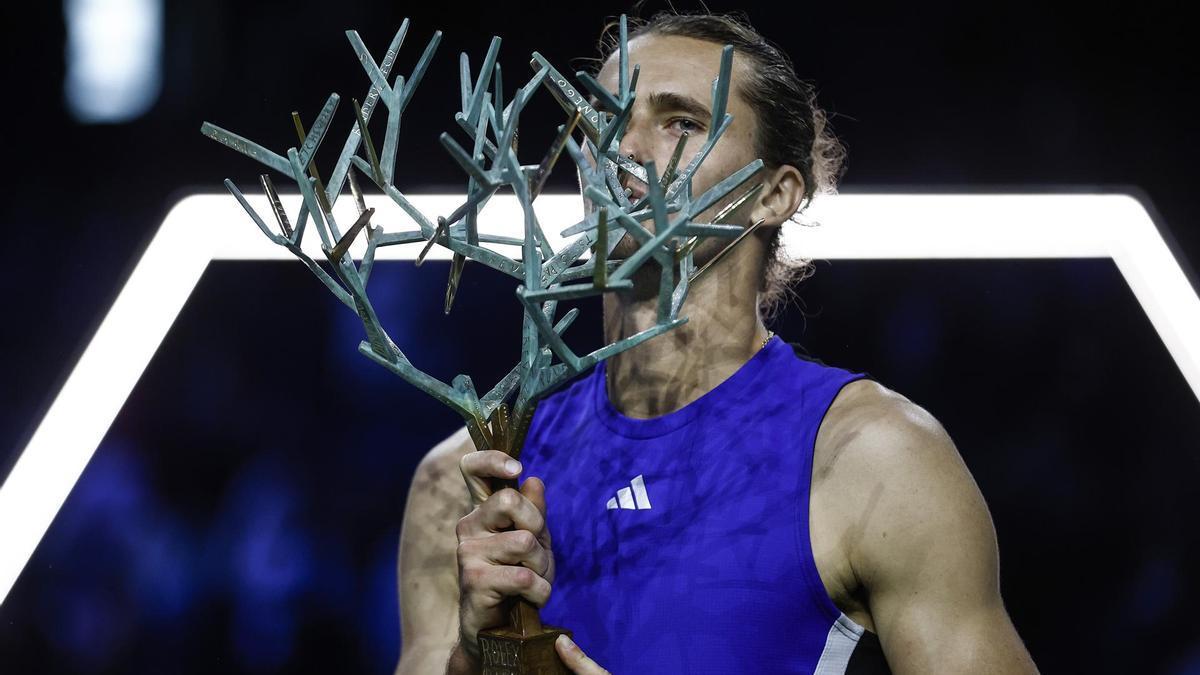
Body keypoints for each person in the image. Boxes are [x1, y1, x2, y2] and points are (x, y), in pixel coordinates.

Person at [395, 11, 1039, 675]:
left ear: (773, 194)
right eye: (603, 121)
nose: (624, 150)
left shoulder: (874, 457)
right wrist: (477, 653)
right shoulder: (466, 481)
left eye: (680, 123)